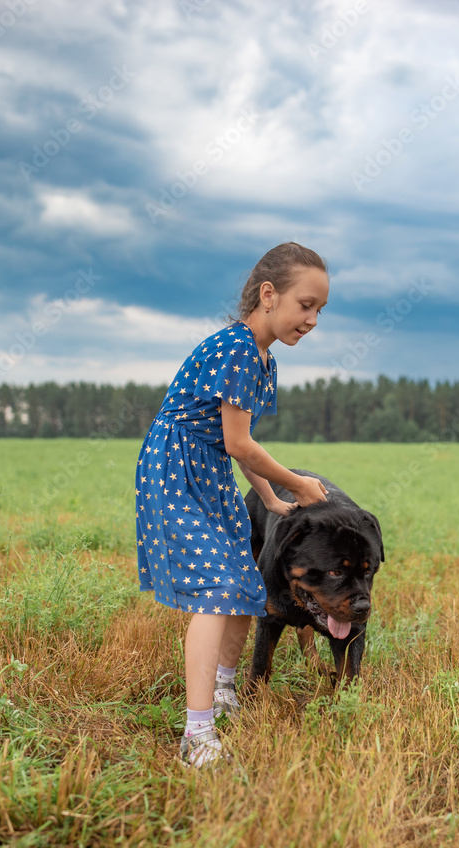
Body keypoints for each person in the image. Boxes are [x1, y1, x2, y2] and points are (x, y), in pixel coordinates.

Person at [135, 242, 330, 768]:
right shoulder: (237, 349)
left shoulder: (262, 360)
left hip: (209, 470)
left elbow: (236, 442)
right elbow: (241, 444)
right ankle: (196, 735)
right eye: (305, 304)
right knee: (216, 590)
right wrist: (300, 483)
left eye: (320, 311)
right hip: (176, 470)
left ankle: (222, 691)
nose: (312, 319)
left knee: (245, 585)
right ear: (269, 295)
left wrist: (269, 496)